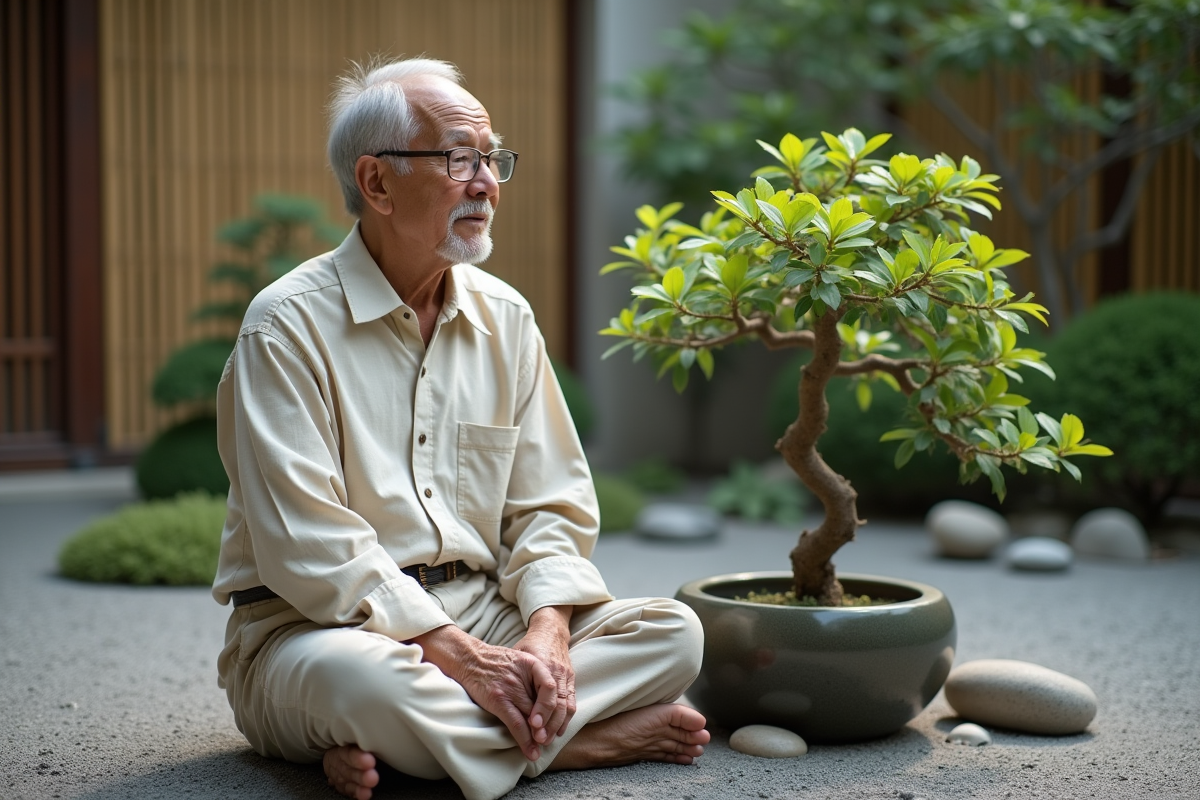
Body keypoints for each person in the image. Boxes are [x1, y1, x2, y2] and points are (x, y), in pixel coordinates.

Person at [210, 56, 709, 800]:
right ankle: (576, 747)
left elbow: (551, 504)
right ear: (376, 182)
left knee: (674, 632)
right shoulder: (284, 327)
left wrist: (545, 633)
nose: (486, 183)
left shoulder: (505, 317)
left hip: (484, 608)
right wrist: (459, 658)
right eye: (458, 158)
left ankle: (432, 753)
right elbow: (309, 545)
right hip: (315, 632)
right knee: (369, 685)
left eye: (491, 157)